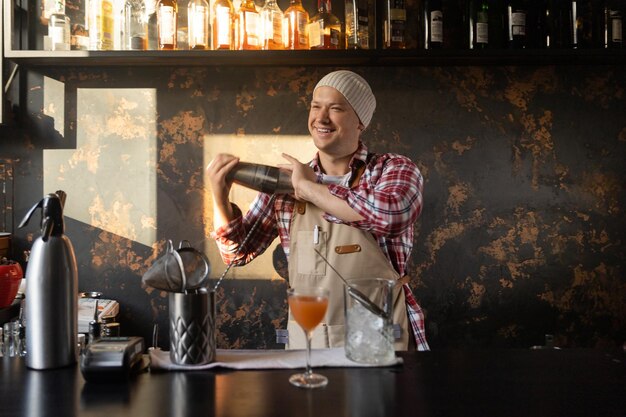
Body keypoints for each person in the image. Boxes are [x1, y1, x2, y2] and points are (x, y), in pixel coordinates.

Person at [207, 70, 429, 351]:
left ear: (360, 122)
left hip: (378, 336)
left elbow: (391, 215)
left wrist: (310, 189)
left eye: (336, 108)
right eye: (315, 106)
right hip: (309, 341)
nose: (321, 118)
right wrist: (219, 195)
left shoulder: (392, 169)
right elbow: (236, 254)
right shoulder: (283, 184)